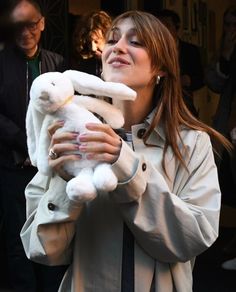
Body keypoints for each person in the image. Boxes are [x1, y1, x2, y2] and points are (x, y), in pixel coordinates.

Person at [21, 10, 231, 291]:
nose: (118, 47)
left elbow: (193, 238)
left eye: (137, 42)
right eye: (112, 40)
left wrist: (126, 167)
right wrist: (64, 183)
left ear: (162, 67)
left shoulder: (191, 143)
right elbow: (43, 251)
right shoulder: (70, 137)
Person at [0, 0, 67, 291]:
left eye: (31, 24)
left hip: (51, 168)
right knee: (17, 238)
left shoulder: (58, 63)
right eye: (17, 25)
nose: (25, 32)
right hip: (13, 165)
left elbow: (68, 109)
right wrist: (25, 144)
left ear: (41, 23)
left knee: (51, 232)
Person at [205, 5, 236, 271]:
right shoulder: (226, 51)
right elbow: (214, 83)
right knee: (228, 182)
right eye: (227, 24)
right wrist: (225, 51)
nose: (231, 30)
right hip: (229, 128)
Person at [156, 9, 204, 117]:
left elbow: (201, 79)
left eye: (167, 25)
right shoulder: (151, 51)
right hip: (157, 106)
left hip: (184, 106)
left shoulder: (190, 50)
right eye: (159, 26)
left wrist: (188, 80)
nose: (163, 30)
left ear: (176, 28)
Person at [70, 10, 112, 77]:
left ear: (108, 38)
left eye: (96, 41)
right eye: (89, 42)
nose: (93, 48)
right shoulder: (84, 68)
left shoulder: (120, 65)